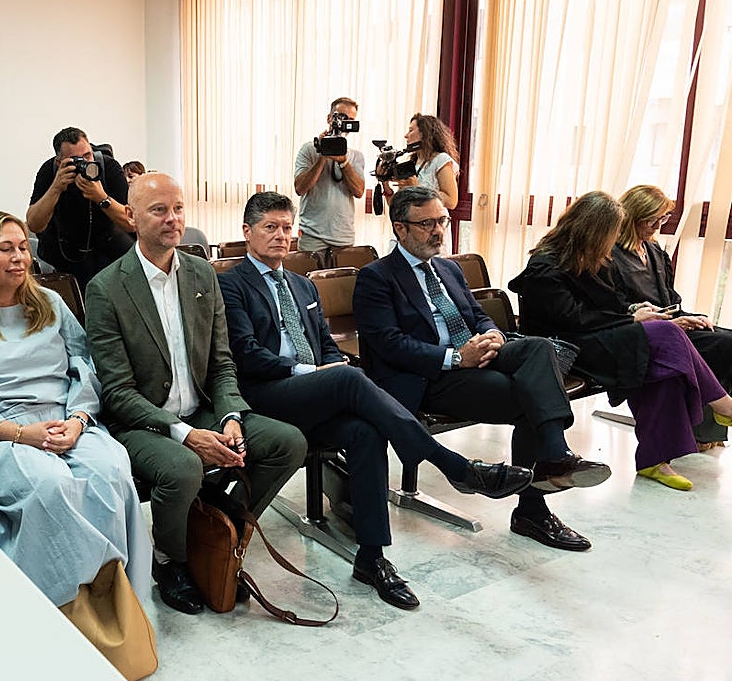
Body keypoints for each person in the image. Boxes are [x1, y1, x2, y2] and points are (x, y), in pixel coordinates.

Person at [218, 192, 534, 609]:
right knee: (349, 377)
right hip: (268, 392)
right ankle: (456, 467)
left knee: (365, 432)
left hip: (316, 388)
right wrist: (314, 374)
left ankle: (372, 557)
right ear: (248, 233)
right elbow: (244, 353)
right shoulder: (230, 281)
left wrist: (327, 369)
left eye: (286, 228)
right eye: (269, 228)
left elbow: (327, 347)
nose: (280, 236)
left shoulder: (299, 283)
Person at [85, 172, 307, 615]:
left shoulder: (203, 273)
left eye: (179, 208)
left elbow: (222, 365)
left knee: (288, 443)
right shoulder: (106, 287)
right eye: (159, 210)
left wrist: (229, 418)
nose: (173, 219)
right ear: (131, 216)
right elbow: (117, 391)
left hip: (203, 411)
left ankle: (221, 532)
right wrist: (185, 434)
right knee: (184, 466)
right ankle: (172, 561)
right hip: (143, 423)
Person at [355, 187, 612, 551]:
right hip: (430, 376)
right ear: (400, 228)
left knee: (537, 348)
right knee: (530, 397)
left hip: (474, 356)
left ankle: (556, 455)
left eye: (442, 220)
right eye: (426, 223)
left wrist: (492, 335)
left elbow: (476, 315)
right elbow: (389, 345)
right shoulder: (377, 277)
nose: (439, 231)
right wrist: (457, 358)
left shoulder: (449, 268)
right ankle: (533, 508)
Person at [0, 211, 151, 607]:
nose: (19, 258)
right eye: (5, 249)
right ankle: (59, 605)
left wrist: (79, 420)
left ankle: (116, 603)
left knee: (111, 470)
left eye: (24, 248)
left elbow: (84, 367)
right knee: (51, 486)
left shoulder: (48, 302)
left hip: (65, 418)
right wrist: (20, 434)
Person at [509, 190, 732, 492]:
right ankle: (722, 405)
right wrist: (630, 320)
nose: (613, 243)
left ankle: (656, 459)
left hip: (597, 336)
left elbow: (609, 305)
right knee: (664, 336)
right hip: (566, 348)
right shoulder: (544, 267)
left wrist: (635, 311)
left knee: (659, 362)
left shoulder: (594, 258)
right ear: (593, 230)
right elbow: (573, 319)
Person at [611, 184, 732, 449]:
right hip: (646, 333)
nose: (657, 225)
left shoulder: (655, 252)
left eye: (662, 218)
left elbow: (671, 301)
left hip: (672, 325)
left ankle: (707, 428)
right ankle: (707, 428)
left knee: (725, 337)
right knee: (723, 346)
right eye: (652, 219)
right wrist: (667, 323)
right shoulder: (612, 256)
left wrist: (693, 317)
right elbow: (617, 309)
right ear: (633, 217)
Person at [27, 127, 134, 289]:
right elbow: (34, 224)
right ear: (59, 161)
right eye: (76, 160)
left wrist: (101, 198)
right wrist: (56, 188)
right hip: (65, 254)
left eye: (87, 155)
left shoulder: (108, 167)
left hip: (107, 252)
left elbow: (131, 223)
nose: (85, 164)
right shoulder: (50, 171)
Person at [293, 97, 366, 254]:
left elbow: (359, 191)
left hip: (343, 236)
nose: (343, 123)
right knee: (308, 278)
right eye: (341, 117)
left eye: (350, 120)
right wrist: (322, 154)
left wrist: (344, 162)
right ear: (329, 118)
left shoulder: (356, 156)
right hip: (312, 235)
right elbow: (300, 188)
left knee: (341, 279)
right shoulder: (308, 150)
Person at [384, 113, 460, 211]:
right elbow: (396, 207)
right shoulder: (412, 163)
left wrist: (418, 187)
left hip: (432, 224)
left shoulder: (441, 160)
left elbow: (451, 201)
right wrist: (385, 182)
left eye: (411, 130)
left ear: (424, 134)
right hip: (412, 222)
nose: (406, 136)